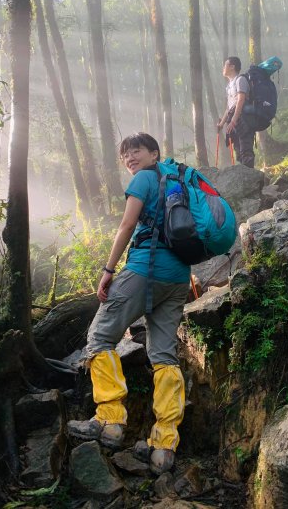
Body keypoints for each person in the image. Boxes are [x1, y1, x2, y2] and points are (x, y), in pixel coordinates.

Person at [70, 132, 190, 475]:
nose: (130, 158)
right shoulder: (178, 181)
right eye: (125, 154)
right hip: (178, 277)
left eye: (136, 150)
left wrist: (108, 270)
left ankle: (109, 419)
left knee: (100, 336)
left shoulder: (144, 179)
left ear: (154, 153)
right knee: (165, 356)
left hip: (144, 269)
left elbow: (126, 224)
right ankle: (164, 445)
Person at [217, 56, 256, 169]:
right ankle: (245, 180)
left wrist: (233, 120)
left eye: (225, 65)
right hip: (235, 121)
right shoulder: (229, 85)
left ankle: (251, 181)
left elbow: (241, 100)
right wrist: (221, 124)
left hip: (244, 120)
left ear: (232, 67)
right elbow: (229, 107)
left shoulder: (240, 80)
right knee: (239, 152)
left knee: (246, 150)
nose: (223, 68)